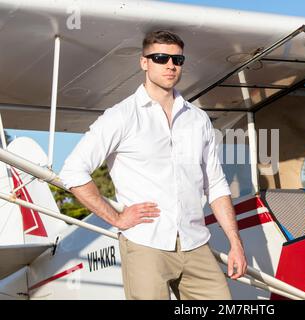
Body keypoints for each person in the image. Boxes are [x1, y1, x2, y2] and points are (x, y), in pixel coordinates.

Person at [59, 30, 247, 300]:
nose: (170, 65)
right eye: (160, 58)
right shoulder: (120, 116)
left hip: (196, 244)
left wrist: (235, 243)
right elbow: (72, 171)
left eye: (177, 59)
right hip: (145, 243)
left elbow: (216, 184)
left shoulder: (198, 119)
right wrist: (117, 218)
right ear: (144, 62)